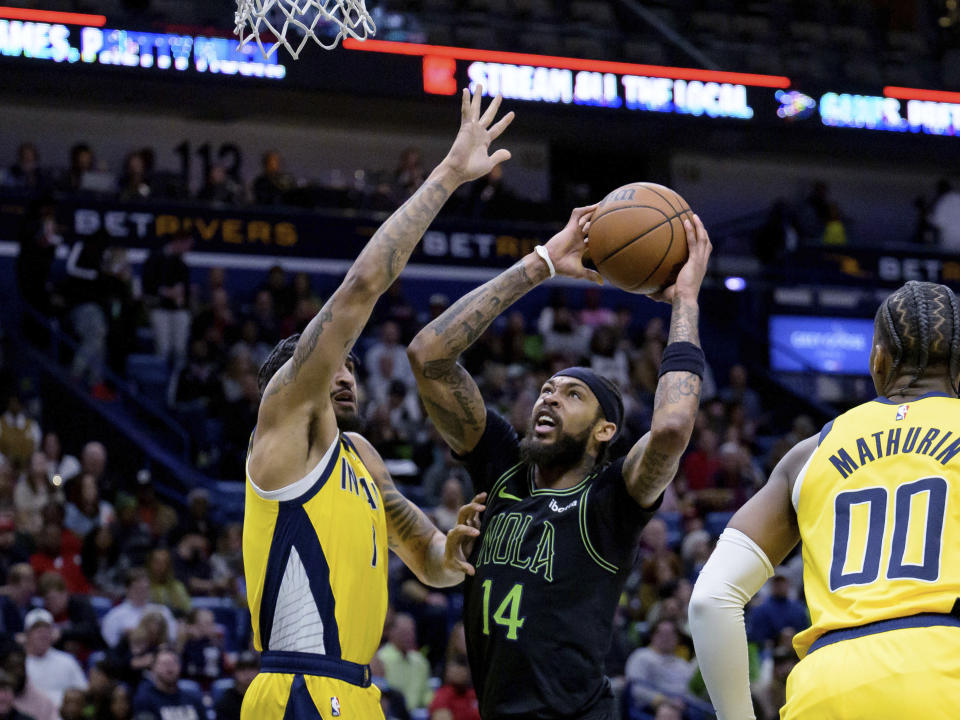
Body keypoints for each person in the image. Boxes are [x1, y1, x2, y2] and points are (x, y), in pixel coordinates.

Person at [241, 88, 513, 720]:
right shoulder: (283, 428)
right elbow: (364, 283)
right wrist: (448, 174)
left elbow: (429, 560)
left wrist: (455, 549)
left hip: (360, 694)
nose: (345, 376)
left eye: (351, 368)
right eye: (330, 365)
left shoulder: (360, 455)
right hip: (299, 690)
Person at [408, 208, 711, 719]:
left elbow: (673, 428)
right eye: (547, 390)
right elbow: (429, 356)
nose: (548, 399)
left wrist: (684, 301)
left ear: (604, 431)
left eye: (572, 395)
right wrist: (542, 262)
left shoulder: (611, 499)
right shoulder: (503, 465)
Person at [689, 279, 960, 719]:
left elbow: (710, 599)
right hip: (946, 669)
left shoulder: (809, 452)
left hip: (828, 686)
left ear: (878, 360)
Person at [22, 609, 88, 708]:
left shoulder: (67, 661)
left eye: (47, 629)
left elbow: (82, 691)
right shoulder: (19, 664)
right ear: (27, 634)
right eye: (37, 630)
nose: (43, 634)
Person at [376, 614, 432, 711]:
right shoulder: (380, 659)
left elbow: (426, 695)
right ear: (391, 633)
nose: (409, 637)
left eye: (411, 632)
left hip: (416, 714)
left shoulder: (421, 661)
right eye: (404, 633)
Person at [132, 647, 205, 720]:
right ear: (153, 668)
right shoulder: (145, 700)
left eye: (173, 663)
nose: (169, 667)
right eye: (164, 664)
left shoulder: (193, 699)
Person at [213, 650, 259, 720]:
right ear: (235, 673)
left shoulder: (263, 698)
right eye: (242, 669)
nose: (247, 673)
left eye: (251, 669)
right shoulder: (226, 701)